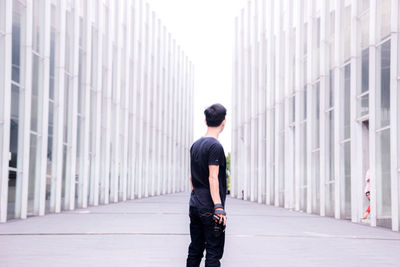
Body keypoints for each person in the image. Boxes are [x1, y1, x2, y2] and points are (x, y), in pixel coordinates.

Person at [186, 104, 227, 267]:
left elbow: (191, 177)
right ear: (223, 122)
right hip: (210, 208)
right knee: (213, 252)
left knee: (195, 250)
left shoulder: (195, 145)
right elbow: (213, 177)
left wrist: (196, 198)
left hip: (195, 205)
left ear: (205, 121)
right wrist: (218, 207)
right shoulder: (215, 146)